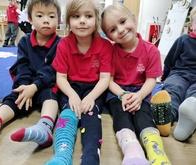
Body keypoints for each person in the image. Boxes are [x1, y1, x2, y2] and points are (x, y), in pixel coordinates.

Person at [0, 0, 61, 148]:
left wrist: (34, 87)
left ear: (58, 19)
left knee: (51, 96)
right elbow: (22, 66)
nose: (46, 20)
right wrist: (24, 86)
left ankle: (45, 127)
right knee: (13, 97)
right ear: (30, 19)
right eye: (40, 16)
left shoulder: (61, 43)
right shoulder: (24, 42)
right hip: (27, 86)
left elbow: (53, 69)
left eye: (52, 16)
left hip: (46, 84)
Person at [101, 3, 171, 165]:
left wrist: (139, 96)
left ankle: (156, 151)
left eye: (123, 21)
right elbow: (109, 80)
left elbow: (151, 80)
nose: (120, 29)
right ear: (109, 37)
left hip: (142, 91)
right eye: (112, 29)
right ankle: (132, 151)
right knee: (121, 115)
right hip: (117, 92)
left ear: (133, 18)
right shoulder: (110, 52)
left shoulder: (151, 50)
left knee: (144, 116)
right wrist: (122, 95)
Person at [45, 0, 113, 165]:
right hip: (71, 87)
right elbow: (60, 77)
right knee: (68, 115)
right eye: (76, 16)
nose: (82, 21)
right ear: (68, 21)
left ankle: (91, 157)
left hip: (94, 88)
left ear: (96, 20)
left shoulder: (104, 46)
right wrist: (72, 95)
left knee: (91, 118)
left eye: (88, 16)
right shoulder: (64, 44)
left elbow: (105, 78)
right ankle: (62, 156)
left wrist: (91, 97)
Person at [152, 7, 196, 142]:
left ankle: (190, 116)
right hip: (180, 74)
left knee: (193, 96)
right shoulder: (183, 40)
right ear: (192, 24)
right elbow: (170, 60)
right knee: (173, 90)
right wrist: (165, 77)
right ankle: (167, 117)